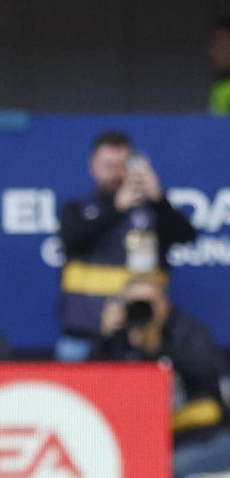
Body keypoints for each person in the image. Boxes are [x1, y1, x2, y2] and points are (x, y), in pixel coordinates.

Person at [90, 276, 230, 478]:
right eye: (134, 304)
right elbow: (88, 386)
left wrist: (160, 345)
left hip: (209, 438)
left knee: (162, 472)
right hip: (150, 443)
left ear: (165, 304)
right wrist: (104, 337)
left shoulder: (187, 332)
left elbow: (207, 374)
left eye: (149, 303)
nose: (142, 311)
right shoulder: (119, 340)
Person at [56, 131, 198, 362]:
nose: (115, 174)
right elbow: (71, 239)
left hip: (143, 338)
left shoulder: (152, 210)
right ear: (93, 165)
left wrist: (158, 199)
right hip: (85, 337)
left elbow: (187, 236)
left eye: (122, 166)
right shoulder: (78, 208)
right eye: (108, 166)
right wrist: (116, 208)